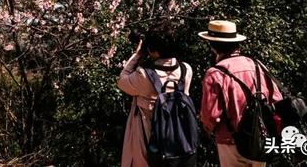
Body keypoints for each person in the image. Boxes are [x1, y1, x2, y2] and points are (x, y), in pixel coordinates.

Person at [198, 20, 283, 167]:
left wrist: (209, 130)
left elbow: (211, 116)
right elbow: (276, 98)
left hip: (230, 141)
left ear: (213, 47)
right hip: (260, 139)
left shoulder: (215, 74)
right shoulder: (257, 66)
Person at [117, 25, 194, 167]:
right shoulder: (186, 70)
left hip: (148, 137)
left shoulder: (144, 76)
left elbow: (122, 81)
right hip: (178, 136)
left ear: (154, 51)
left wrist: (137, 55)